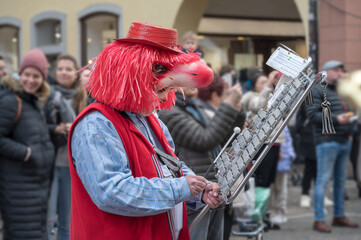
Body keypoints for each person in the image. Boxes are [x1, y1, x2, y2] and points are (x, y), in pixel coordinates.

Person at [68, 21, 222, 240]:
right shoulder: (95, 124)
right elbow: (111, 192)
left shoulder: (150, 118)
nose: (165, 92)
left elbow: (170, 166)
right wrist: (180, 188)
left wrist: (198, 190)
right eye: (159, 73)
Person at [159, 81, 243, 240]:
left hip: (210, 188)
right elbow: (205, 139)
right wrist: (229, 106)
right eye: (187, 77)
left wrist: (237, 113)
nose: (194, 82)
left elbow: (222, 139)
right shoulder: (168, 112)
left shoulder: (190, 107)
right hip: (195, 195)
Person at [0, 49, 54, 239]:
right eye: (27, 74)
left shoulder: (33, 101)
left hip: (35, 186)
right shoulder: (11, 101)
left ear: (43, 78)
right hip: (18, 189)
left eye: (36, 76)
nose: (31, 80)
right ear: (20, 74)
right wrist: (26, 152)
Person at [307, 60, 359, 232]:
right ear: (327, 72)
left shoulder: (341, 90)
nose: (340, 73)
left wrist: (350, 131)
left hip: (345, 140)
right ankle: (319, 219)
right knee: (323, 181)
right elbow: (312, 116)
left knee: (340, 181)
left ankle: (338, 215)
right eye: (337, 70)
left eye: (341, 70)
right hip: (327, 141)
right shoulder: (315, 89)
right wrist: (337, 119)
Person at [196, 76, 246, 240]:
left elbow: (225, 138)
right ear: (214, 95)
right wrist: (231, 109)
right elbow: (211, 139)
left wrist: (237, 113)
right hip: (204, 181)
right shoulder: (203, 113)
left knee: (219, 227)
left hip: (212, 180)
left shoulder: (209, 112)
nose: (227, 99)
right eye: (224, 95)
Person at [45, 54, 87, 240]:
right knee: (46, 219)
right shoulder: (46, 94)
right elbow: (34, 127)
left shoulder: (85, 97)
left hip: (74, 167)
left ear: (76, 72)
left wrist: (76, 128)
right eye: (60, 68)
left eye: (68, 69)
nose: (63, 72)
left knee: (68, 221)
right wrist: (57, 129)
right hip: (50, 164)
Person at [269, 126, 295, 224]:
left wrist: (286, 156)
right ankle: (271, 212)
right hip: (273, 159)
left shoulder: (282, 126)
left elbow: (287, 141)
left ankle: (279, 211)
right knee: (271, 188)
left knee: (280, 188)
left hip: (281, 160)